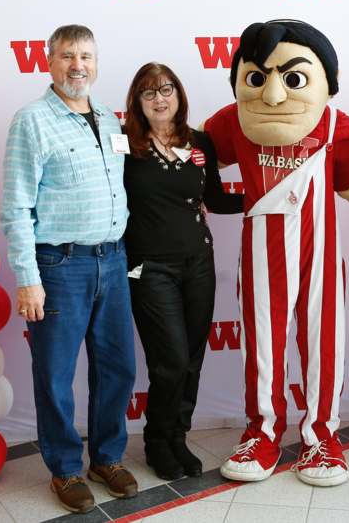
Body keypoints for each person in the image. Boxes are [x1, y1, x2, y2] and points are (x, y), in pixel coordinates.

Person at [203, 20, 349, 487]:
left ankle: (322, 435)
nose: (274, 94)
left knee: (323, 346)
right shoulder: (235, 118)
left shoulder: (337, 124)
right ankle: (262, 432)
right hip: (259, 256)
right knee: (262, 348)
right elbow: (193, 156)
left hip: (320, 255)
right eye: (259, 77)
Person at [0, 24, 138, 514]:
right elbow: (16, 208)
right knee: (57, 373)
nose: (78, 65)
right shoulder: (31, 121)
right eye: (67, 56)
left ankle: (107, 457)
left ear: (96, 62)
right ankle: (64, 467)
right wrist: (27, 277)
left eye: (86, 56)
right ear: (49, 62)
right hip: (59, 266)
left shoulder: (109, 118)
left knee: (118, 366)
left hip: (113, 259)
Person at [122, 63, 244, 481]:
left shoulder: (201, 142)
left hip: (198, 264)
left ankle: (178, 437)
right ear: (137, 102)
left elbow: (216, 197)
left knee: (191, 358)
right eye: (149, 92)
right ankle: (157, 440)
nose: (160, 99)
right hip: (148, 268)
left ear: (179, 94)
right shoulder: (124, 144)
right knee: (169, 361)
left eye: (167, 89)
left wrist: (264, 194)